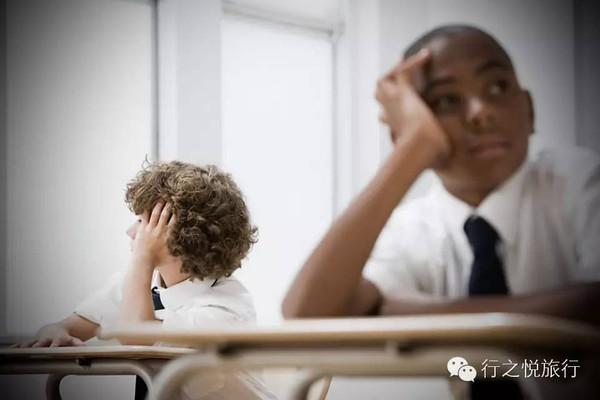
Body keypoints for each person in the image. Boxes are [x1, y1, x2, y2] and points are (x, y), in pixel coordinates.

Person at [282, 25, 600, 399]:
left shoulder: (583, 182)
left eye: (497, 87)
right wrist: (411, 152)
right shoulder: (412, 229)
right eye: (447, 101)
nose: (480, 113)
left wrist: (410, 316)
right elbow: (309, 314)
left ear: (529, 110)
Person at [15, 160, 275, 399]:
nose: (131, 233)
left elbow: (135, 338)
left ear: (180, 236)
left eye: (142, 222)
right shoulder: (141, 283)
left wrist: (143, 257)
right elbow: (67, 326)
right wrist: (55, 332)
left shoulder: (225, 308)